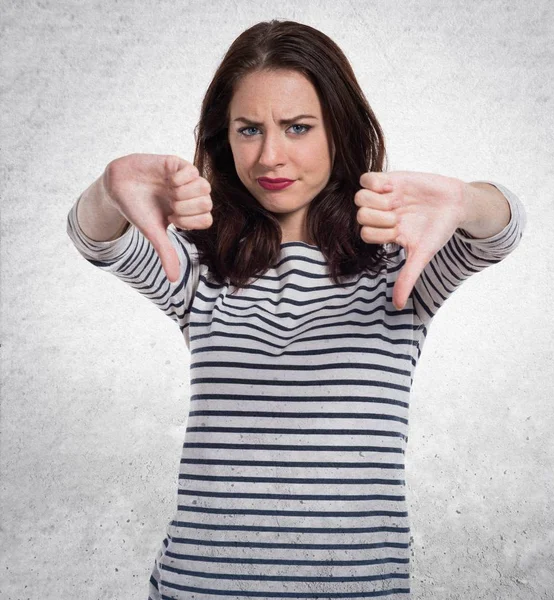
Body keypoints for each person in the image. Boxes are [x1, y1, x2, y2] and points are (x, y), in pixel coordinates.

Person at [66, 19, 526, 600]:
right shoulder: (199, 269)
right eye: (249, 129)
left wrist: (467, 200)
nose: (270, 155)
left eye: (298, 127)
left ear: (339, 130)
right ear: (223, 139)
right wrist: (107, 192)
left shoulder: (400, 267)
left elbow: (500, 233)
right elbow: (95, 240)